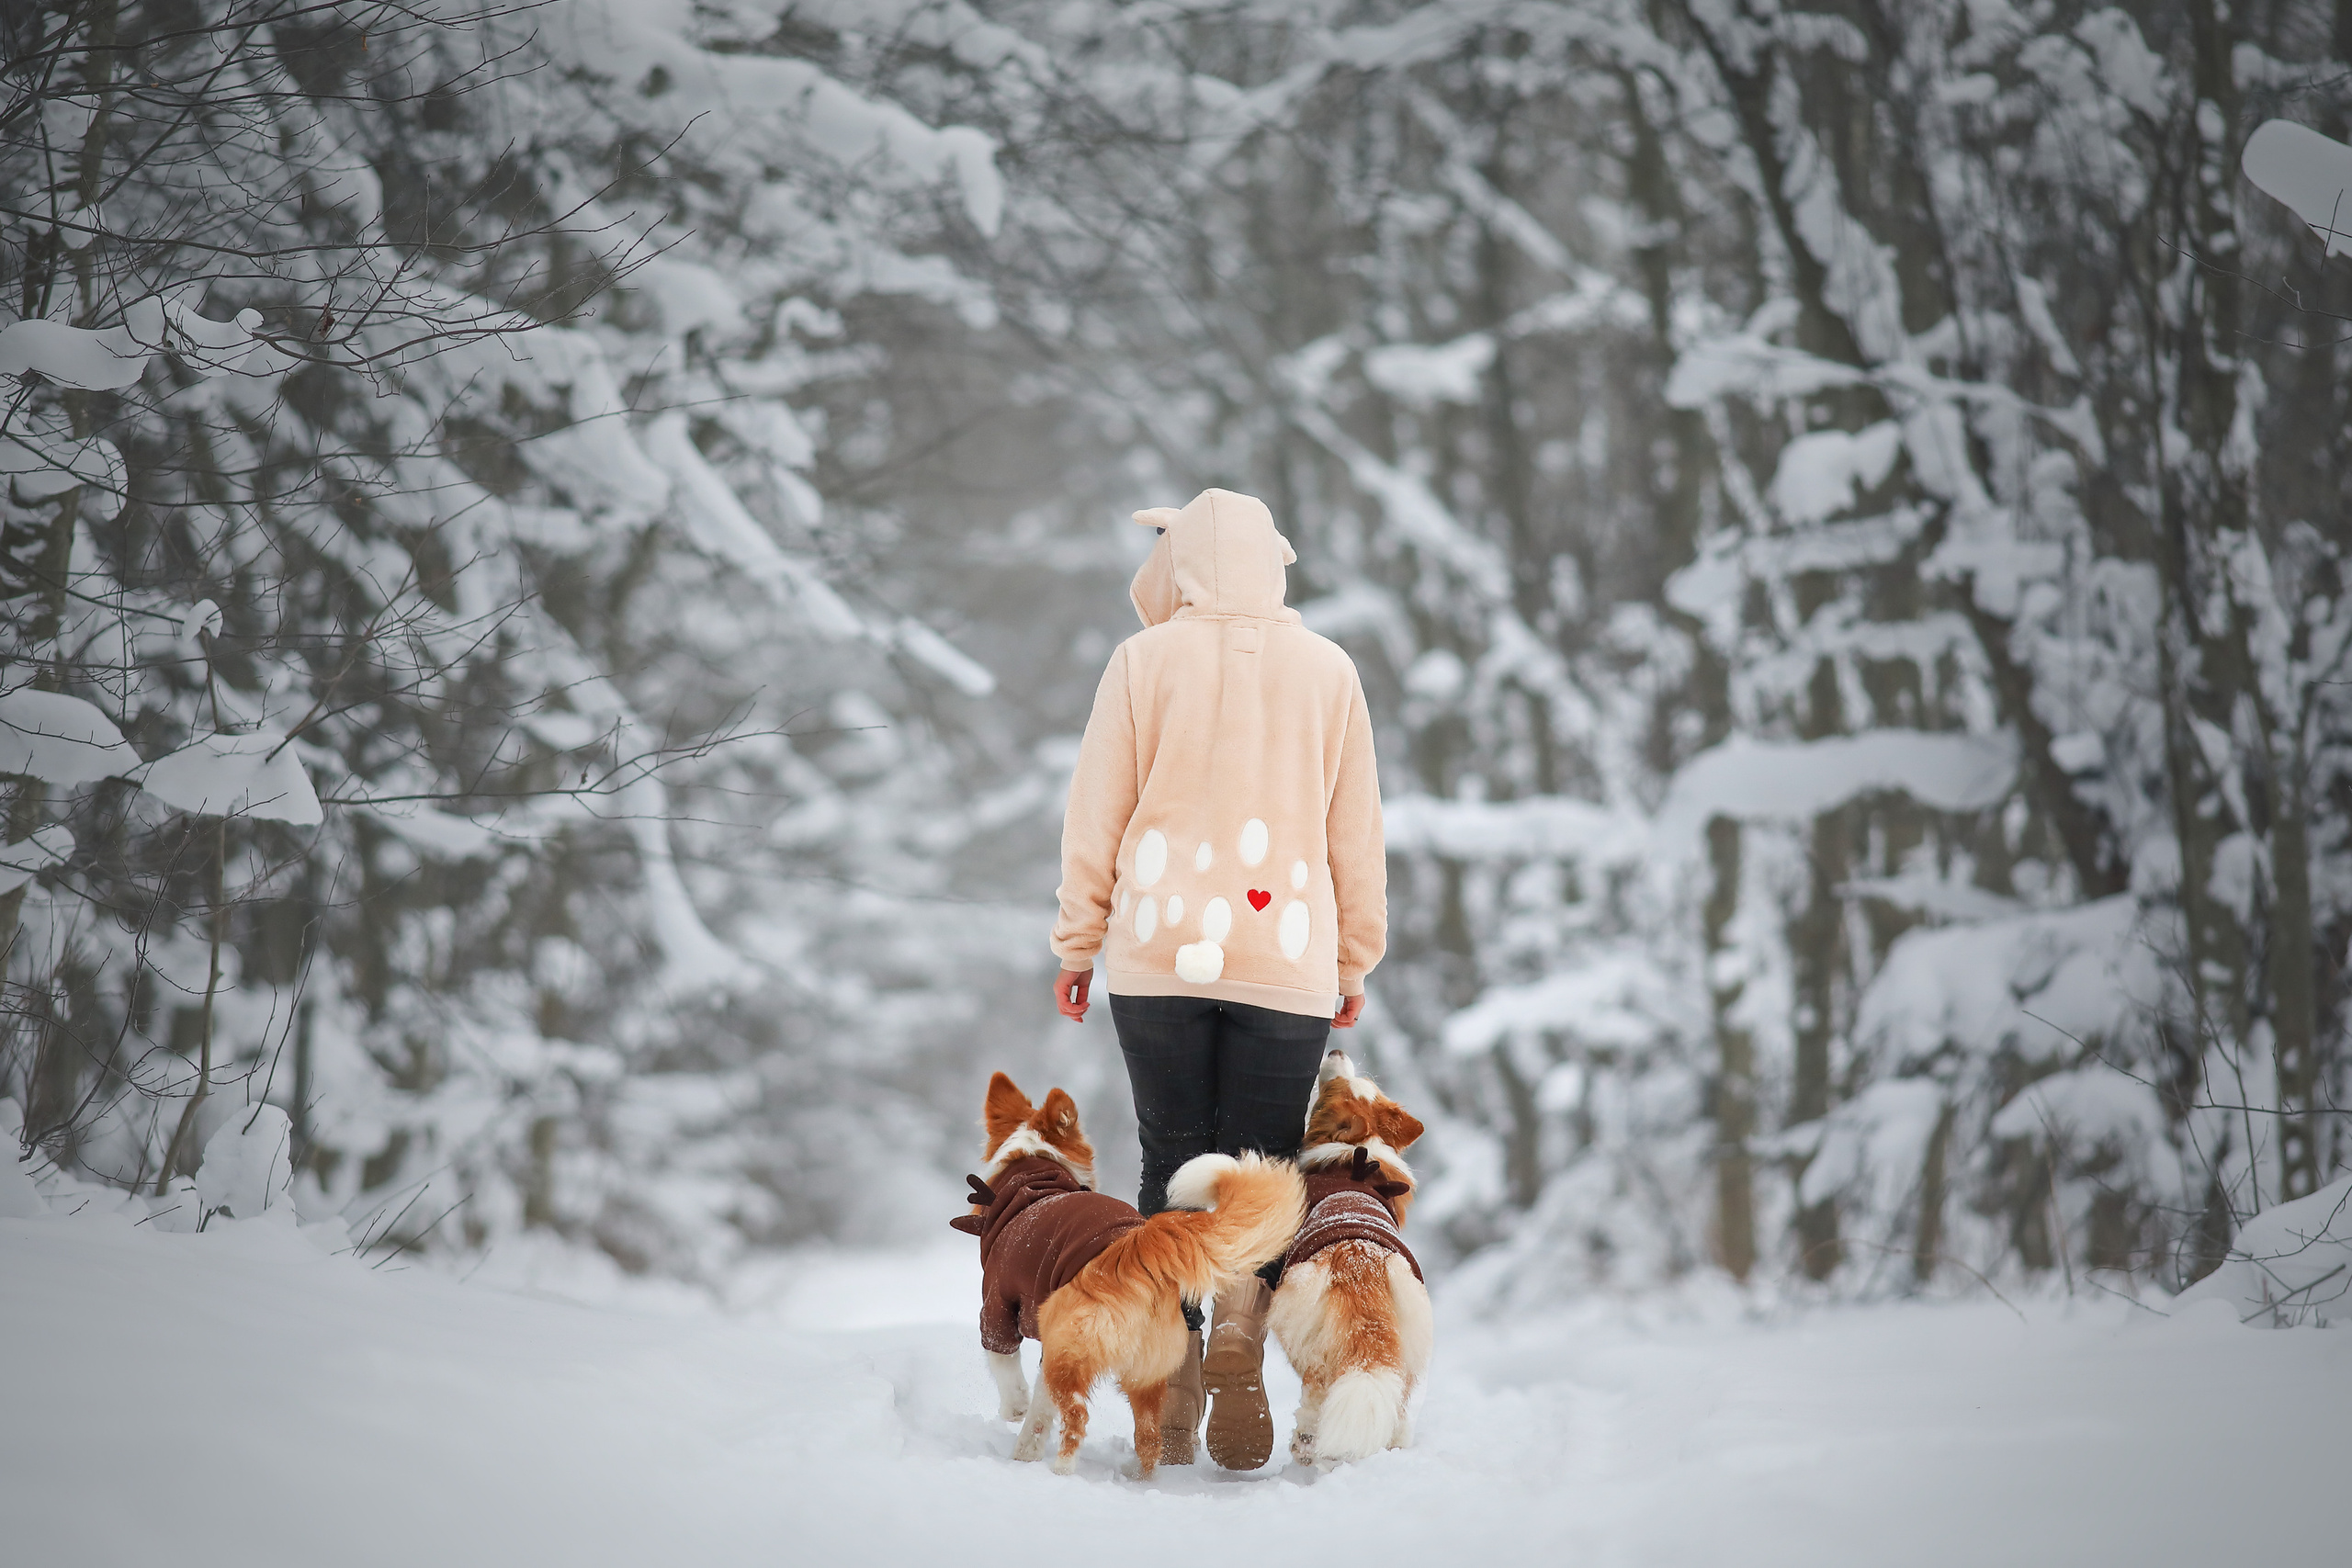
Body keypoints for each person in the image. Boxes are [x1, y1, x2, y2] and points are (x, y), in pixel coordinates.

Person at [1049, 487, 1386, 1471]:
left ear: (1184, 563)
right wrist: (1352, 957)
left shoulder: (1140, 662)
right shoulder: (1328, 670)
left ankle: (1182, 1364)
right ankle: (1238, 1319)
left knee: (1173, 1156)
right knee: (1259, 1167)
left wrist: (1078, 944)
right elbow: (1353, 833)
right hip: (1286, 952)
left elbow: (1095, 813)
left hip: (1156, 947)